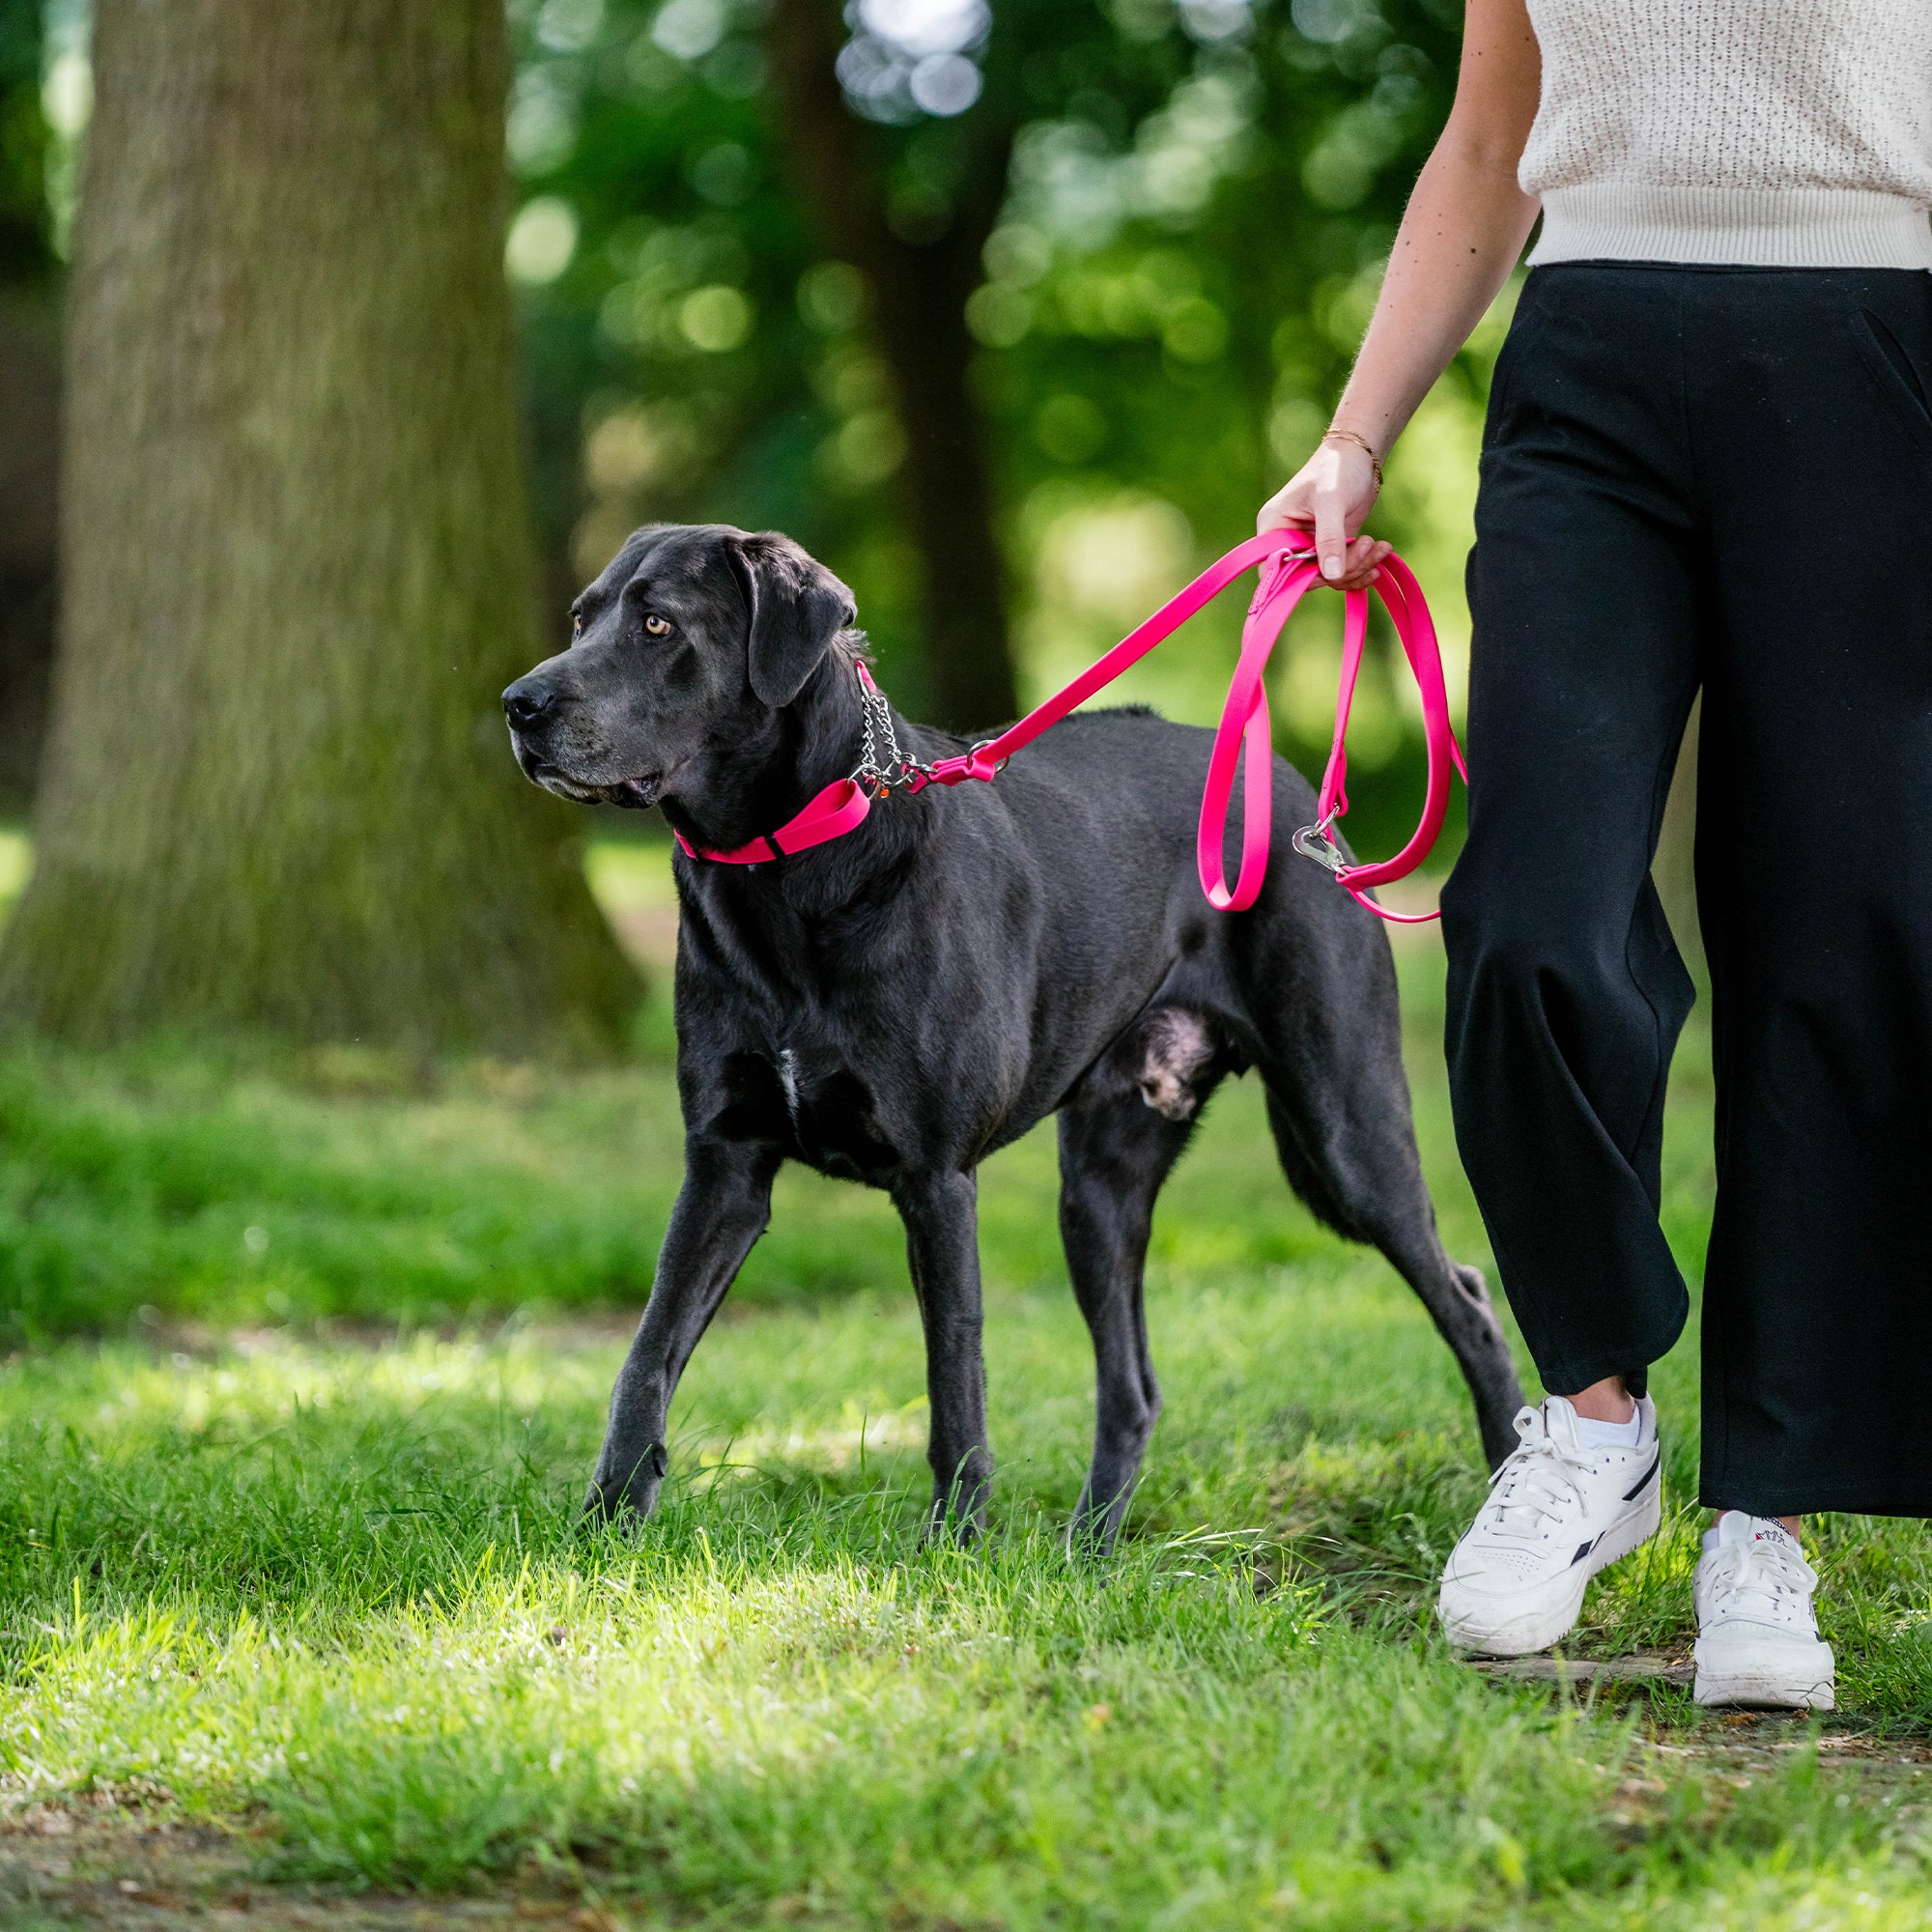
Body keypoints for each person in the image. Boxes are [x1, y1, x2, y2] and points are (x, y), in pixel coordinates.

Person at [1259, 0, 1932, 1711]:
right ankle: (1593, 1421)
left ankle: (1766, 1516)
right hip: (1591, 361)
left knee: (1839, 942)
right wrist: (1353, 434)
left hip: (1878, 359)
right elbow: (1489, 146)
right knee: (1527, 912)